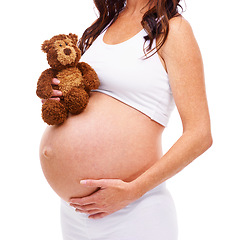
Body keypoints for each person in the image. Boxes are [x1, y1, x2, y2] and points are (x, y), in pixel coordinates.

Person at [40, 0, 212, 239]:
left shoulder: (173, 30)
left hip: (134, 209)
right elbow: (87, 98)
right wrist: (58, 96)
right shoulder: (101, 26)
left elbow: (200, 134)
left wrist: (134, 191)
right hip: (76, 214)